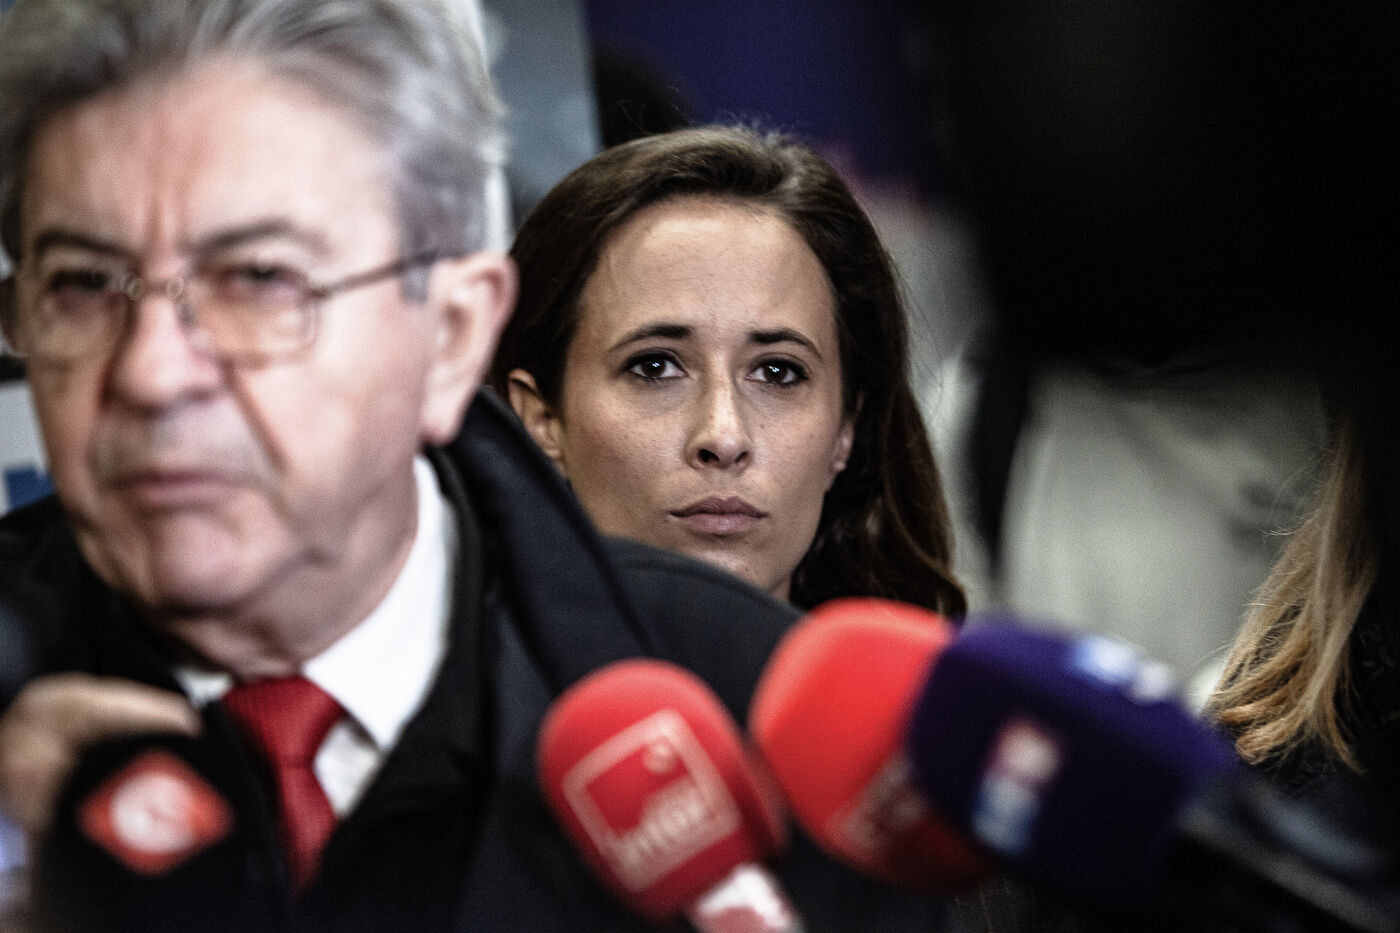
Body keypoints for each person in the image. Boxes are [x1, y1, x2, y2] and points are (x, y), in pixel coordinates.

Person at [0, 2, 950, 930]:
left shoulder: (757, 709)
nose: (151, 372)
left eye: (259, 279)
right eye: (83, 285)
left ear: (452, 334)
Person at [490, 125, 966, 616]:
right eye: (655, 367)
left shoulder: (933, 670)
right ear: (542, 418)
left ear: (846, 431)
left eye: (777, 373)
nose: (724, 437)